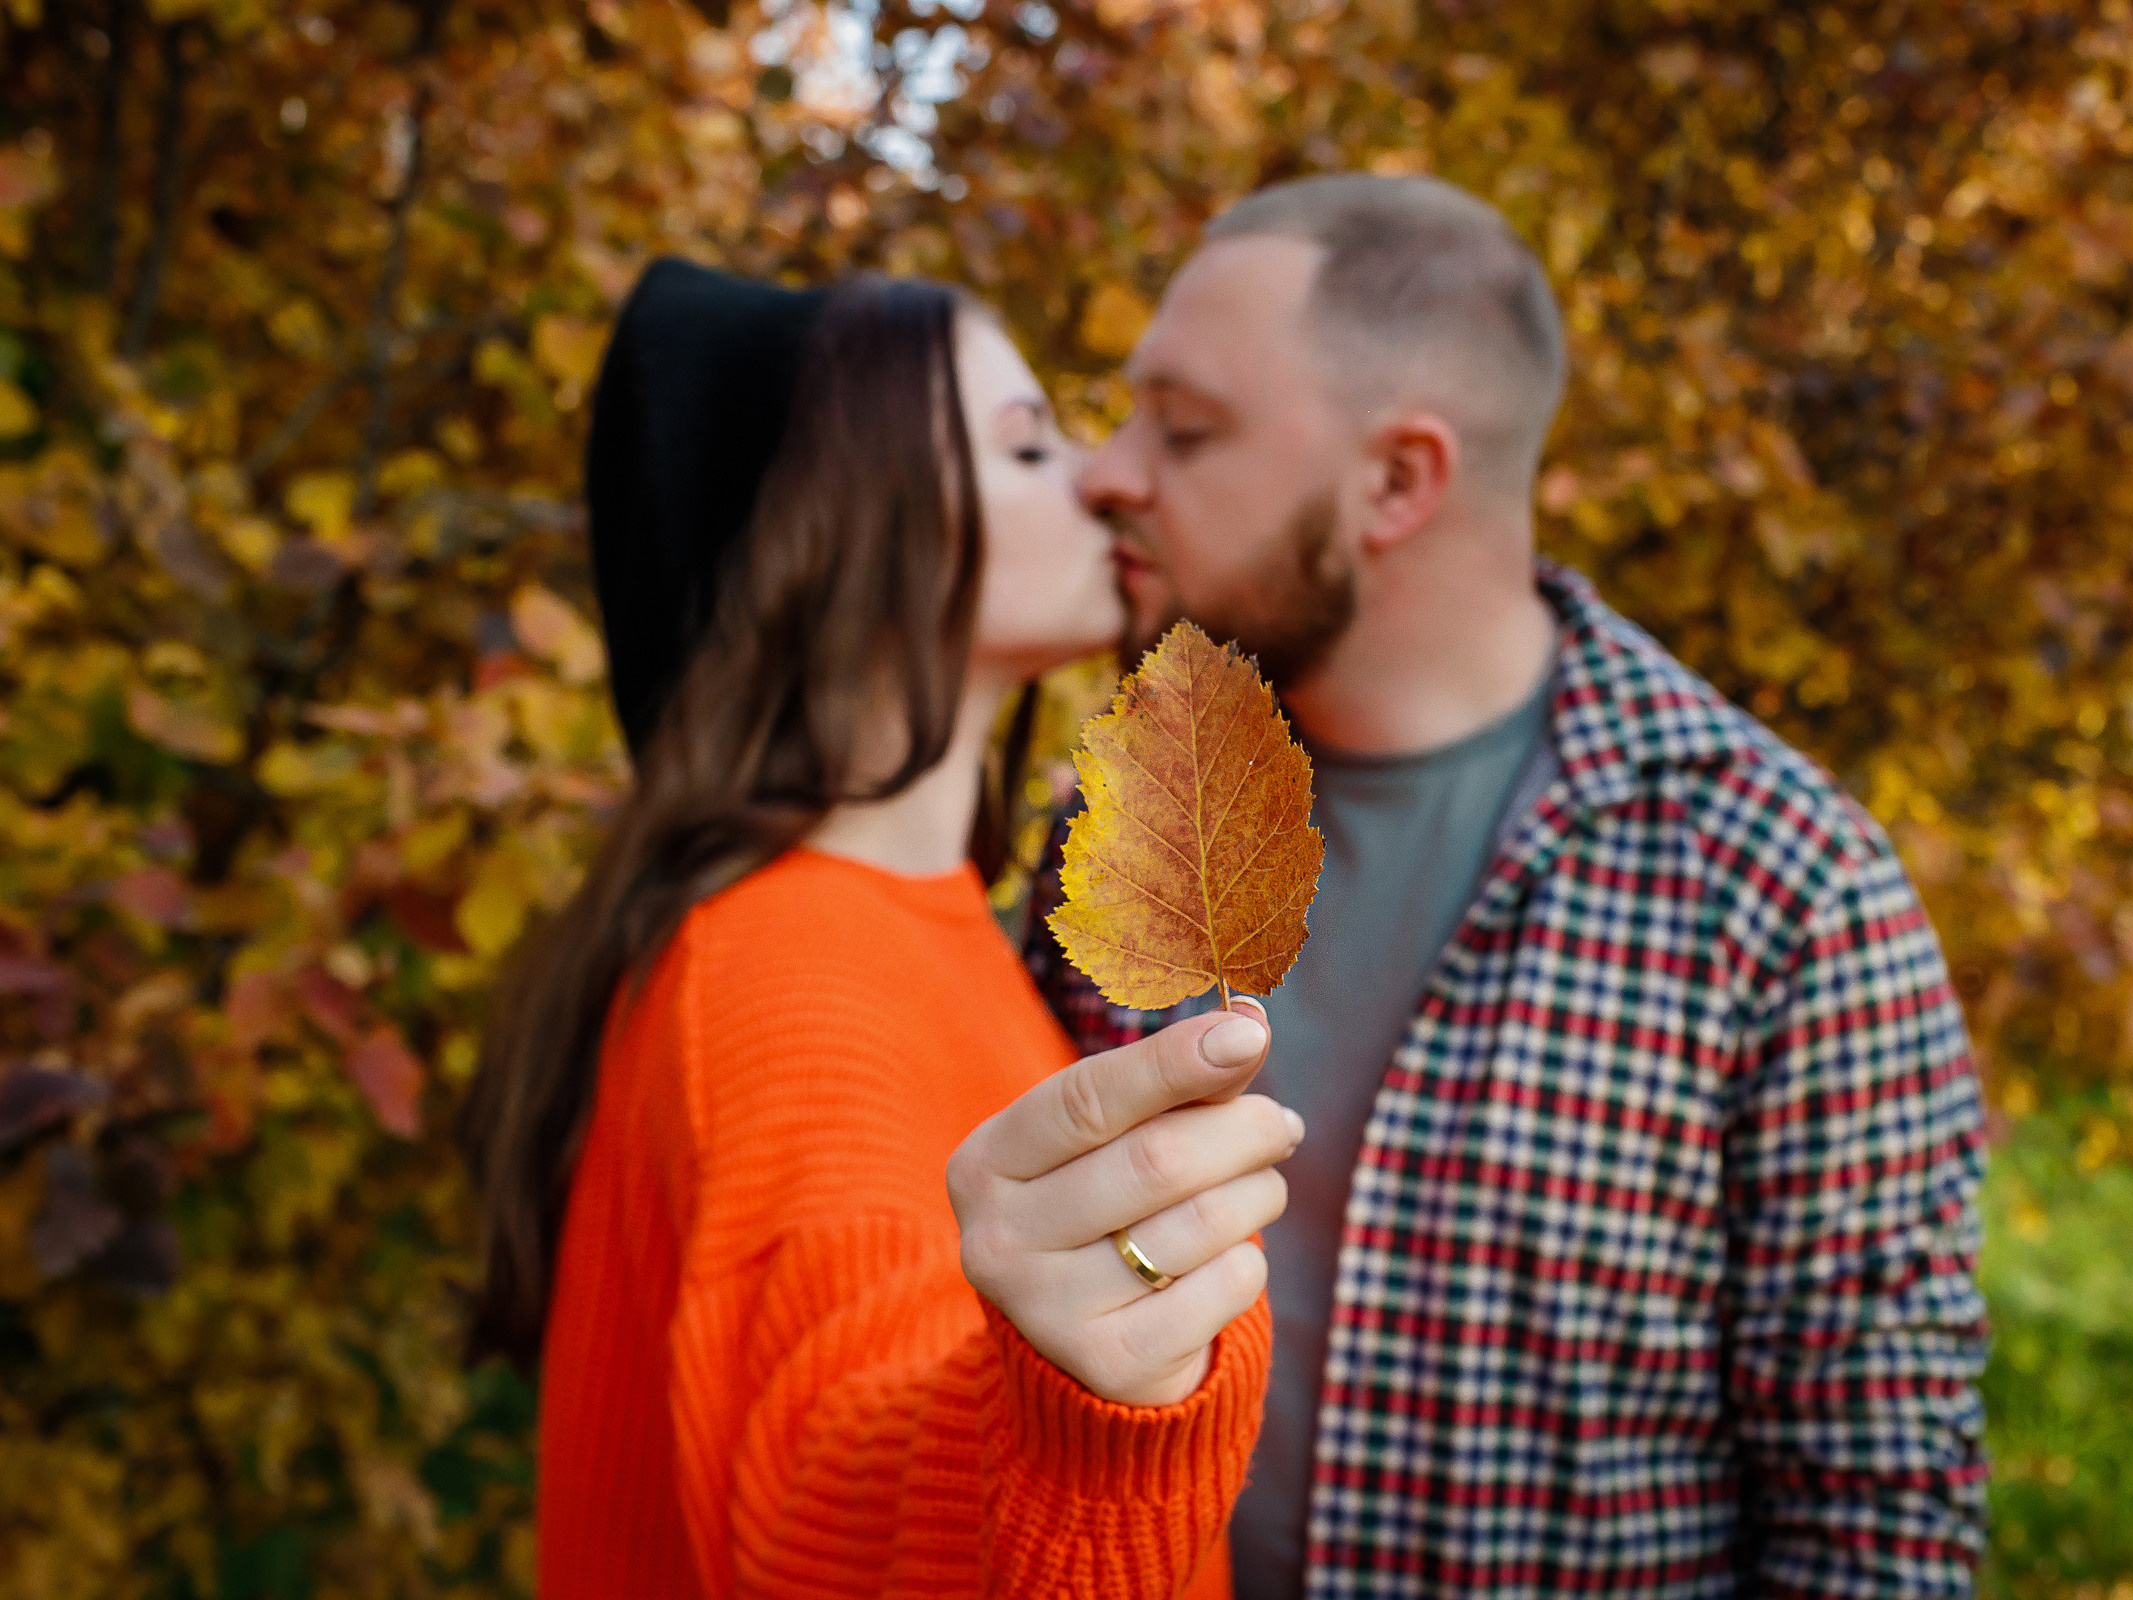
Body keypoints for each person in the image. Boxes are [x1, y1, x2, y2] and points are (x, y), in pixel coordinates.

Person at [1025, 172, 1992, 1598]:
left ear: (1398, 483)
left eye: (1184, 428)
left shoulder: (1778, 885)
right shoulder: (1122, 820)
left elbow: (1875, 1520)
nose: (1106, 472)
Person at [460, 259, 1303, 1599]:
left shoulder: (927, 931)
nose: (1100, 480)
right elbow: (830, 1479)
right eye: (1026, 444)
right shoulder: (782, 967)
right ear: (847, 528)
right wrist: (1076, 1430)